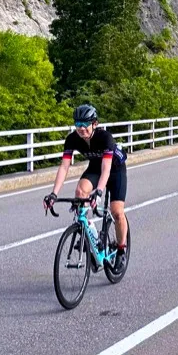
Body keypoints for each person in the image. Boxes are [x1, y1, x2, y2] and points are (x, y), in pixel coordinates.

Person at [43, 104, 128, 253]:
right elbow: (64, 167)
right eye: (77, 124)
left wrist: (99, 191)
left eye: (85, 124)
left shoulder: (105, 138)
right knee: (80, 193)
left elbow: (106, 169)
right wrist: (53, 193)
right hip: (95, 167)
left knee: (117, 212)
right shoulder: (72, 139)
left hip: (115, 169)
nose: (81, 128)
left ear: (95, 124)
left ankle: (121, 248)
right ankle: (90, 236)